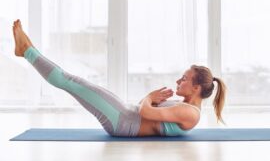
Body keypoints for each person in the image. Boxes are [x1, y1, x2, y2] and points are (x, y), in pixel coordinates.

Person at [12, 19, 226, 137]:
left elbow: (145, 110)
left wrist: (150, 97)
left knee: (72, 83)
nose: (179, 81)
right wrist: (149, 99)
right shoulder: (185, 107)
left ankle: (27, 51)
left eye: (185, 79)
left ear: (197, 88)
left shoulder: (189, 112)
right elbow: (146, 110)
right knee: (75, 82)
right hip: (125, 114)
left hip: (123, 121)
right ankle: (27, 51)